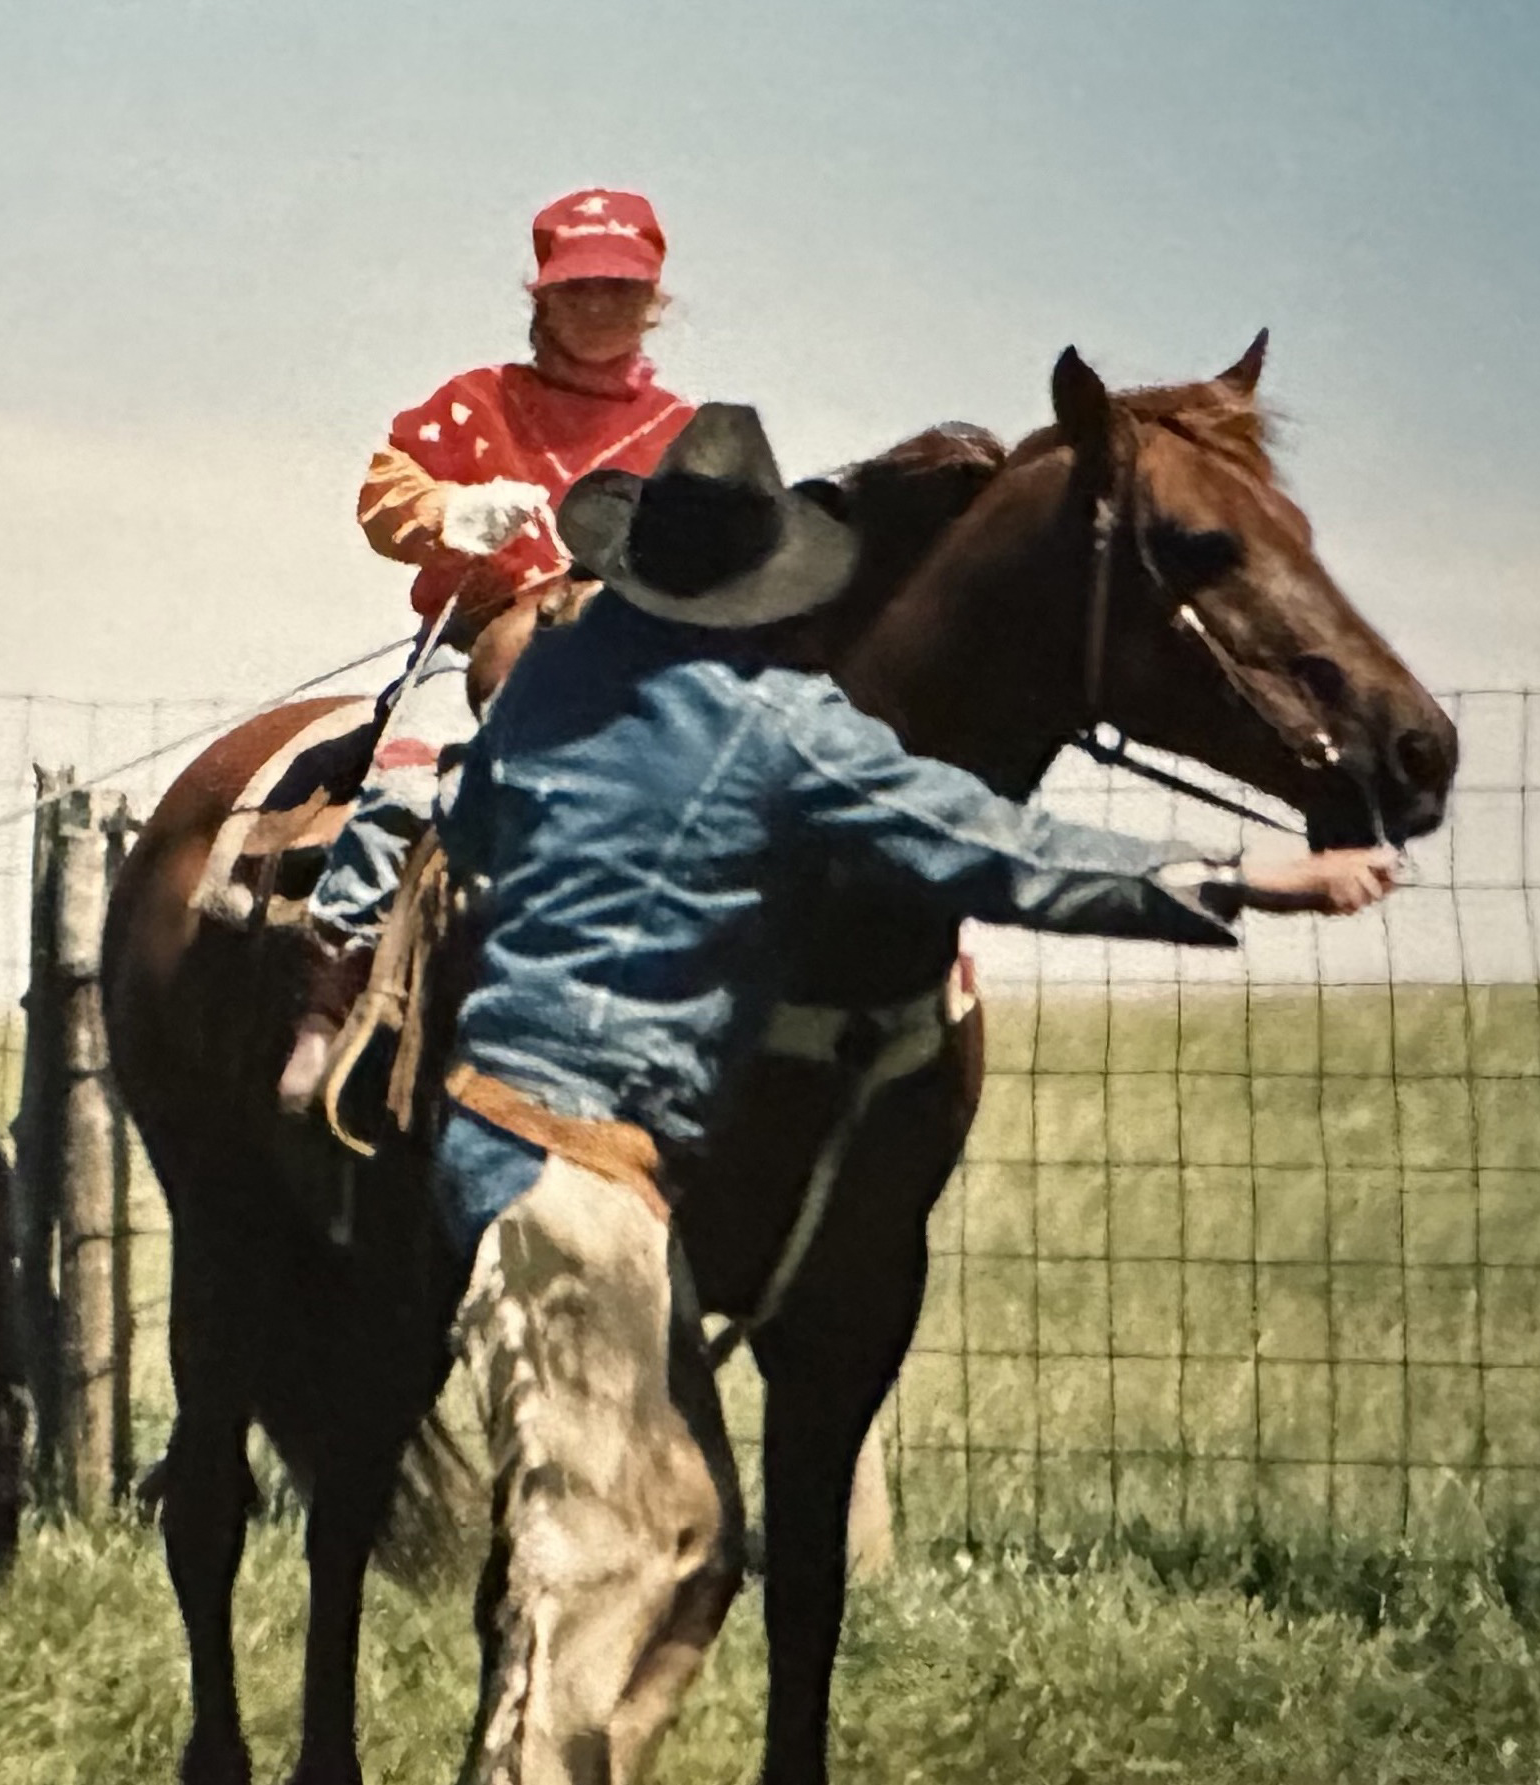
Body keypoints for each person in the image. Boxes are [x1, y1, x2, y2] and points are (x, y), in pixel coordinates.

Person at [428, 404, 1400, 1785]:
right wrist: (1241, 878)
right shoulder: (779, 730)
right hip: (575, 1178)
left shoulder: (558, 677)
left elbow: (470, 830)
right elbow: (991, 844)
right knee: (621, 1549)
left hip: (510, 1145)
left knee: (686, 1538)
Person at [280, 188, 696, 1109]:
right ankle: (332, 990)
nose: (598, 306)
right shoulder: (472, 407)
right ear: (540, 297)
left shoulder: (687, 434)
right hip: (472, 645)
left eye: (620, 290)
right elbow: (385, 491)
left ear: (653, 301)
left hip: (632, 666)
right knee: (405, 781)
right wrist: (450, 511)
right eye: (577, 287)